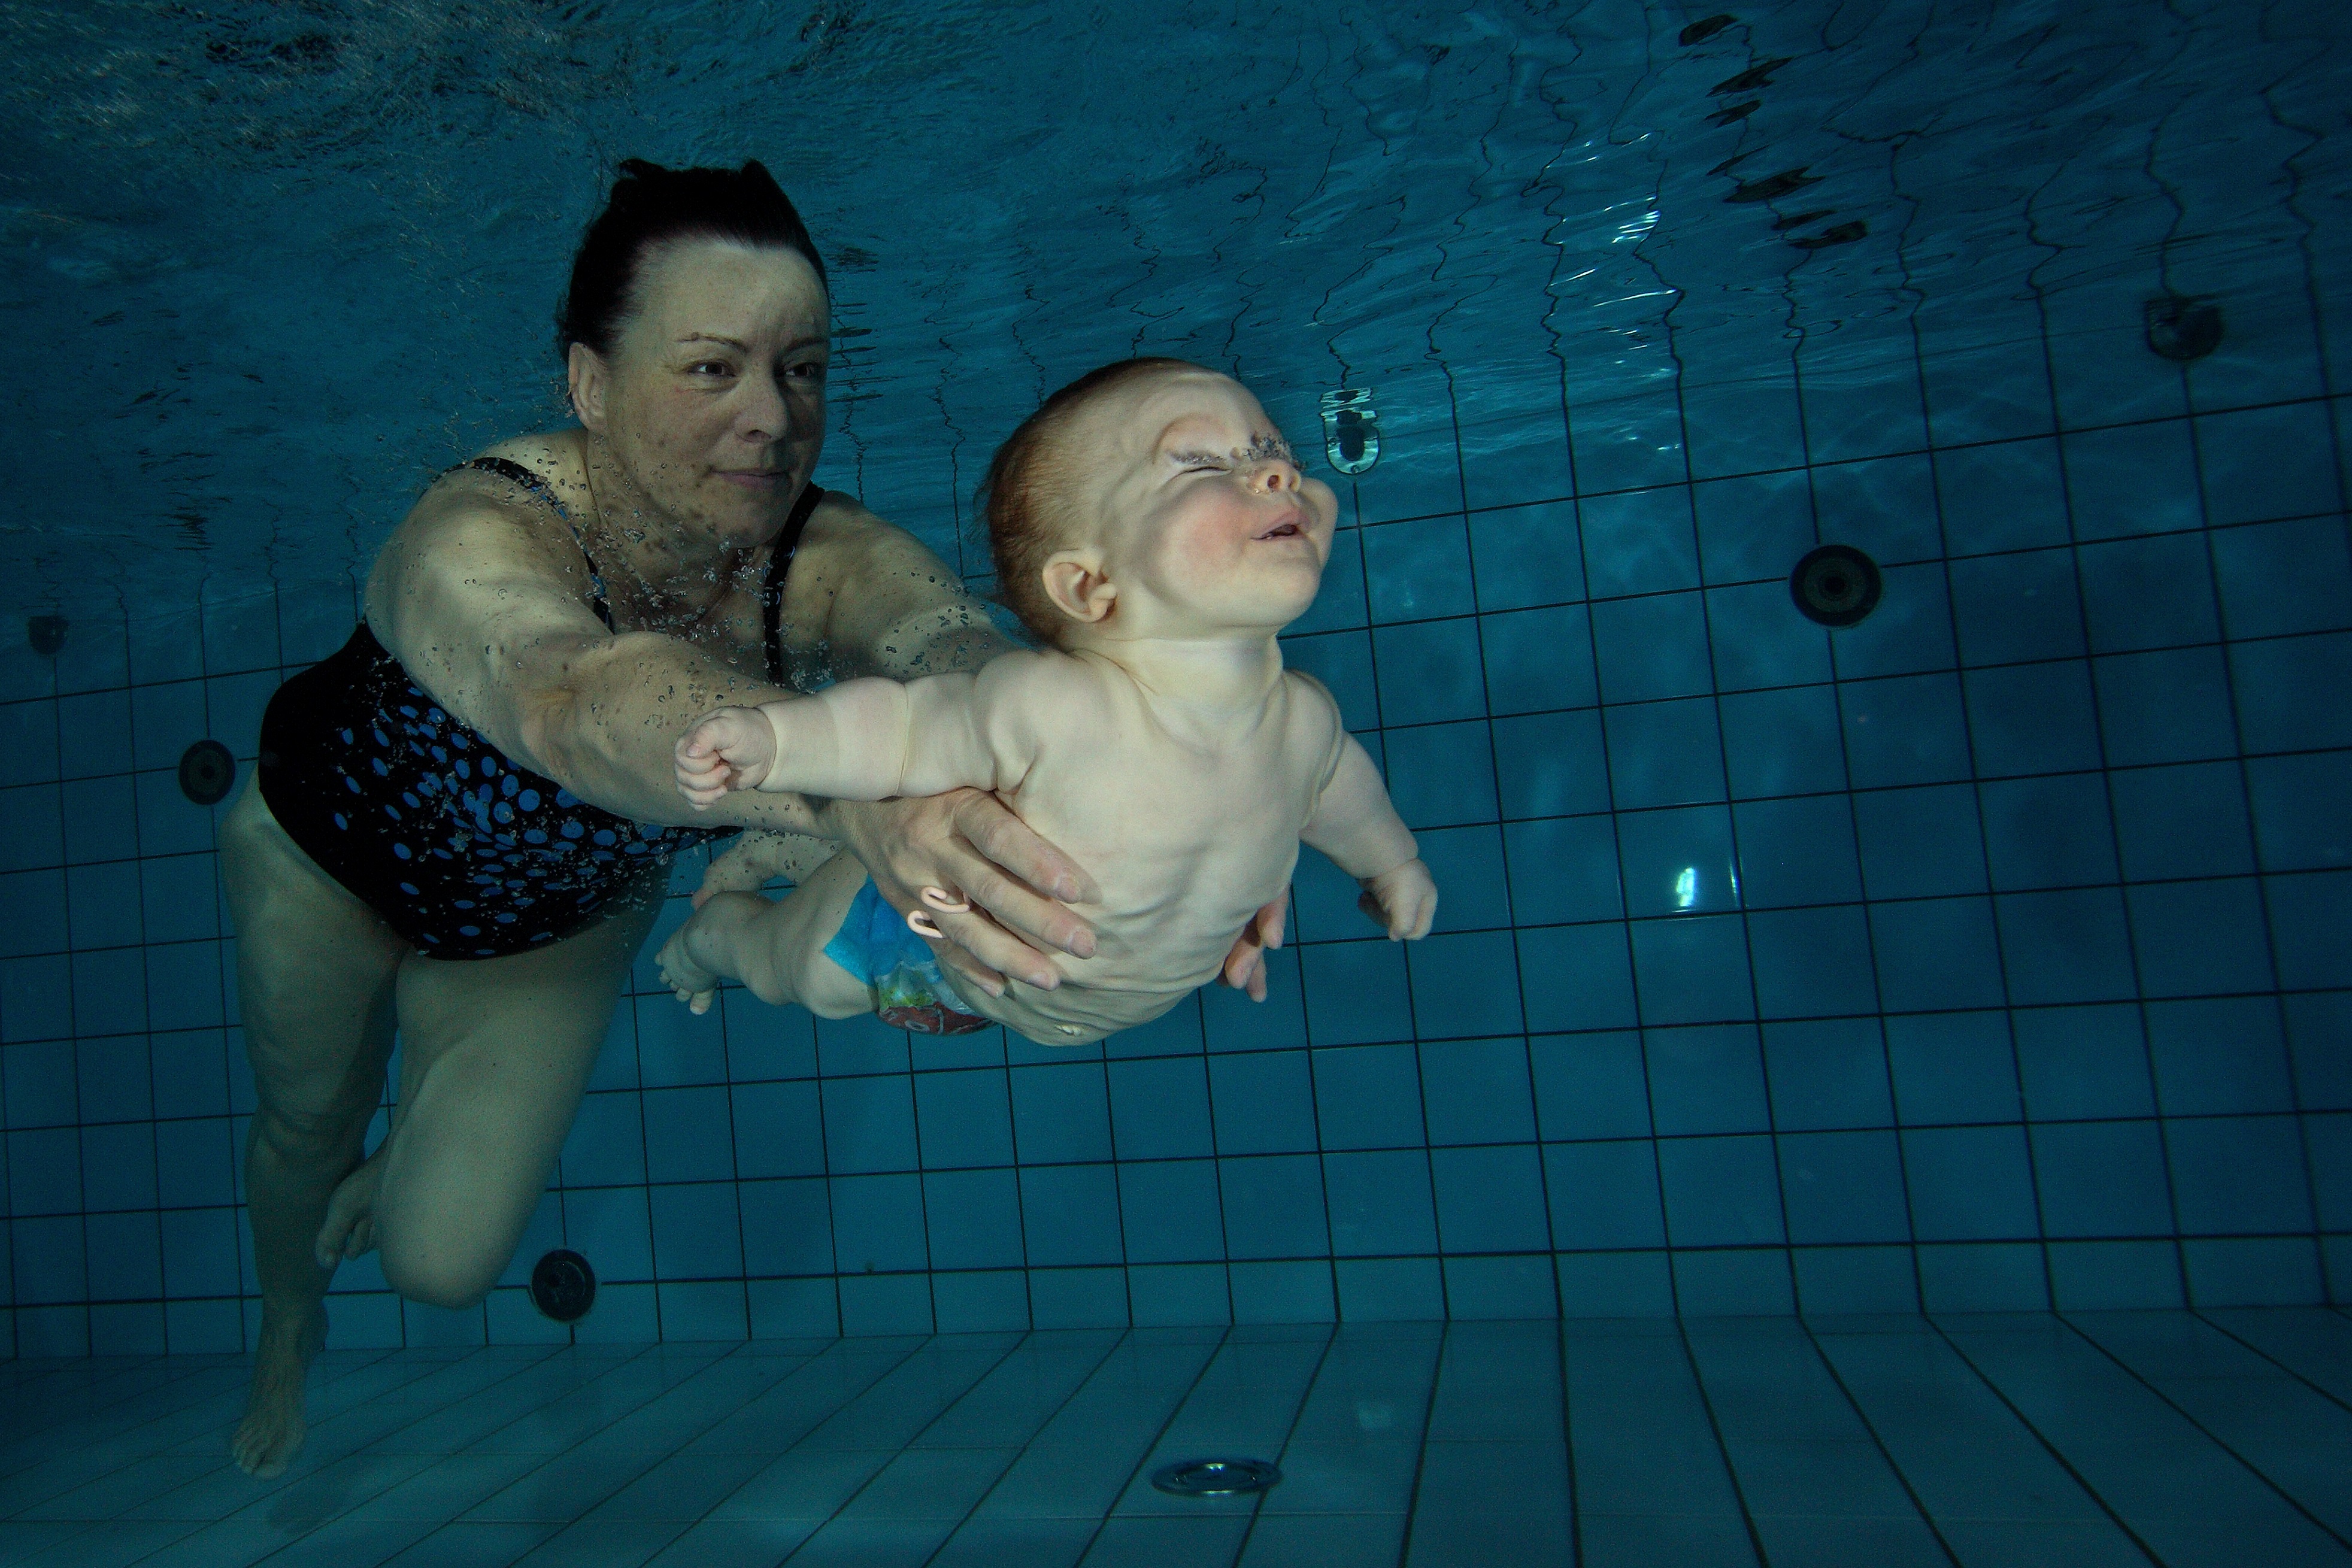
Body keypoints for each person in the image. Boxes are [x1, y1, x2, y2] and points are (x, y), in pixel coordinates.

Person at [217, 162, 1283, 1479]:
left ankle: (421, 1124)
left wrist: (1188, 812)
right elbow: (577, 701)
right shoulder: (478, 527)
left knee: (440, 1263)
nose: (772, 419)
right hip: (327, 859)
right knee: (305, 1123)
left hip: (545, 929)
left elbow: (963, 655)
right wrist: (863, 795)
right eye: (712, 369)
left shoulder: (826, 556)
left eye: (803, 369)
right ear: (589, 383)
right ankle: (285, 1320)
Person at [655, 358, 1438, 1045]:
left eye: (1276, 454)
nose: (1275, 475)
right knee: (795, 972)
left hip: (1053, 1004)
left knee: (832, 891)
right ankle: (709, 942)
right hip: (934, 950)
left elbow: (1344, 799)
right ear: (1089, 585)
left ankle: (780, 855)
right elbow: (898, 732)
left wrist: (1391, 862)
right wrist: (775, 742)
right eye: (1202, 466)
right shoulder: (1054, 708)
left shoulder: (1306, 725)